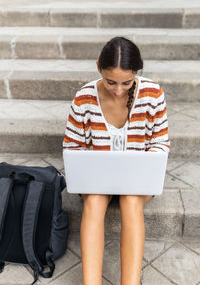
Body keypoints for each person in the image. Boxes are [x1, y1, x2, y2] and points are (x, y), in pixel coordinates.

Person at [62, 36, 170, 285]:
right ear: (98, 67)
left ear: (137, 73)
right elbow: (72, 146)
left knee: (131, 200)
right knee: (95, 201)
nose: (119, 90)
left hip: (137, 181)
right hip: (96, 180)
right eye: (111, 82)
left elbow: (160, 144)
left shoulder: (153, 94)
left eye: (127, 82)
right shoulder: (84, 97)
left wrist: (140, 166)